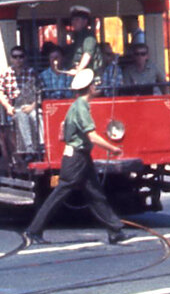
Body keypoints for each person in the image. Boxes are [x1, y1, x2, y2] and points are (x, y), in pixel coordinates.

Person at [21, 68, 128, 247]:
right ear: (89, 88)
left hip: (81, 156)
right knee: (61, 192)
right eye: (94, 84)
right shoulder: (80, 107)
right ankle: (33, 230)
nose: (96, 86)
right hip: (76, 158)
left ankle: (115, 229)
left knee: (95, 193)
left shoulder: (80, 105)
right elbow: (91, 136)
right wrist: (113, 149)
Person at [67, 7, 105, 75]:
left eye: (77, 20)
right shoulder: (76, 37)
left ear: (85, 22)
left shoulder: (89, 36)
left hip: (91, 76)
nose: (73, 22)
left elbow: (87, 55)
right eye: (73, 20)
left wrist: (77, 71)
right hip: (81, 75)